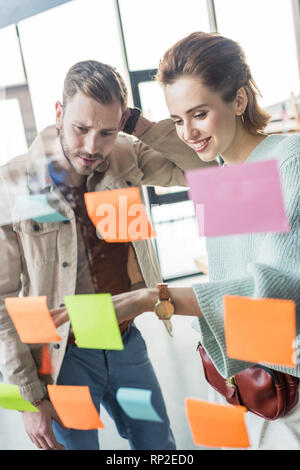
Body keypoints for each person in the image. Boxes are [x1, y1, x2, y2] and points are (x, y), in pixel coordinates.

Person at [61, 33, 300, 450]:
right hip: (234, 380)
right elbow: (234, 285)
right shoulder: (224, 177)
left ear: (239, 101)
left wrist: (152, 298)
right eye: (176, 120)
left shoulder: (288, 161)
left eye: (199, 113)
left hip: (285, 394)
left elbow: (274, 297)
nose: (188, 132)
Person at [0, 59, 214, 451]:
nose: (91, 147)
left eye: (107, 131)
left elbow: (204, 170)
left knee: (158, 447)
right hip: (64, 359)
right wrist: (25, 398)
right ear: (59, 113)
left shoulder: (124, 155)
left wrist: (140, 128)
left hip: (125, 343)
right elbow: (1, 303)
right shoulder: (12, 183)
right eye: (80, 129)